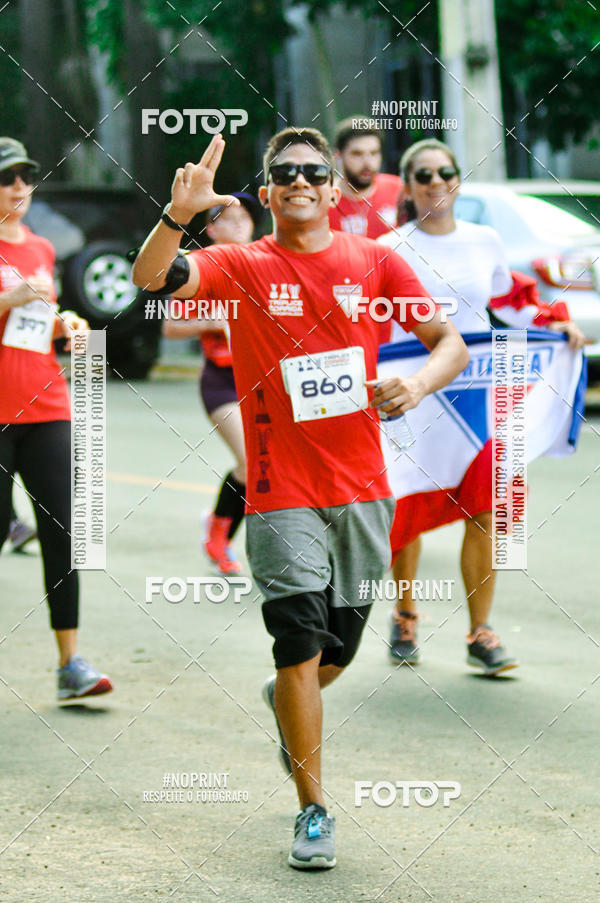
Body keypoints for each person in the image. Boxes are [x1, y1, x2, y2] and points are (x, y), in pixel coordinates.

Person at [132, 128, 468, 870]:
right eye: (284, 172)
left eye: (314, 170)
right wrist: (175, 216)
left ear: (333, 186)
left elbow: (450, 341)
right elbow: (151, 280)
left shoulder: (375, 260)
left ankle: (290, 699)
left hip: (361, 487)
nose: (301, 180)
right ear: (266, 189)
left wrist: (415, 382)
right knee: (298, 642)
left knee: (336, 653)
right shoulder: (245, 263)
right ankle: (314, 809)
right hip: (279, 487)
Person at [378, 138, 586, 675]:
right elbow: (371, 320)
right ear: (408, 186)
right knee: (410, 504)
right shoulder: (388, 247)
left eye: (444, 171)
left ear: (457, 181)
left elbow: (511, 298)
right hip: (413, 394)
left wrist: (553, 322)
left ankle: (480, 632)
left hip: (475, 393)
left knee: (489, 506)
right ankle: (405, 614)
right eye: (421, 174)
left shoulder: (483, 240)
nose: (434, 181)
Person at [0, 137, 113, 700]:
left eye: (26, 177)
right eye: (8, 179)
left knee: (63, 534)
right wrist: (9, 298)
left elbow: (38, 321)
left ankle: (71, 665)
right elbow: (13, 306)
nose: (20, 188)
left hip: (46, 406)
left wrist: (64, 324)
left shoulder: (42, 248)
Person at [162, 192, 260, 574]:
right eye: (227, 218)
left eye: (244, 218)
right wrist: (214, 321)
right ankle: (218, 538)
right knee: (251, 461)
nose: (237, 224)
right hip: (222, 382)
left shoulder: (268, 263)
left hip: (266, 380)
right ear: (211, 227)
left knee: (264, 466)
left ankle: (225, 528)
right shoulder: (198, 266)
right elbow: (170, 327)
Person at [329, 117, 403, 239]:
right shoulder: (324, 200)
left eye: (374, 153)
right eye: (357, 154)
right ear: (338, 155)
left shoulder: (398, 189)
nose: (368, 163)